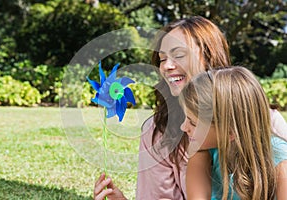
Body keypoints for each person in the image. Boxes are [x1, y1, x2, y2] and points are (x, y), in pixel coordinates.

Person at [93, 16, 287, 200]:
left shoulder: (268, 124)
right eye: (161, 59)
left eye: (179, 55)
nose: (167, 66)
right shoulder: (162, 133)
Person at [180, 66, 287, 200]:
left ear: (230, 132)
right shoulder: (201, 150)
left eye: (193, 123)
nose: (183, 127)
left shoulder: (280, 160)